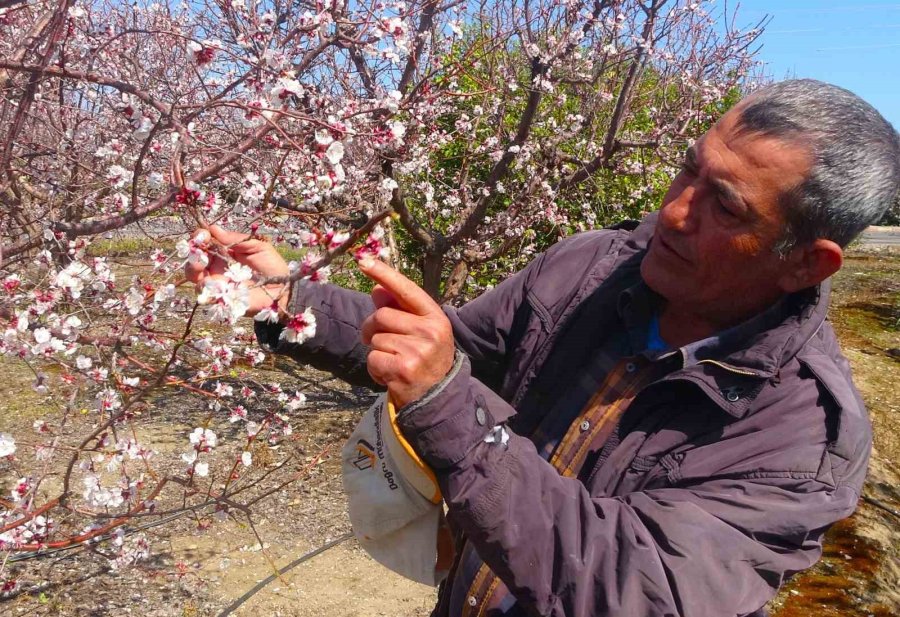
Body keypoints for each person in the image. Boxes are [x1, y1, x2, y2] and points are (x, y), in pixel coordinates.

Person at [186, 79, 900, 617]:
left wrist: (449, 410)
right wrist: (287, 302)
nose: (674, 212)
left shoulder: (802, 436)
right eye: (688, 169)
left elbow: (632, 585)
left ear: (806, 262)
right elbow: (455, 347)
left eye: (726, 205)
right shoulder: (591, 270)